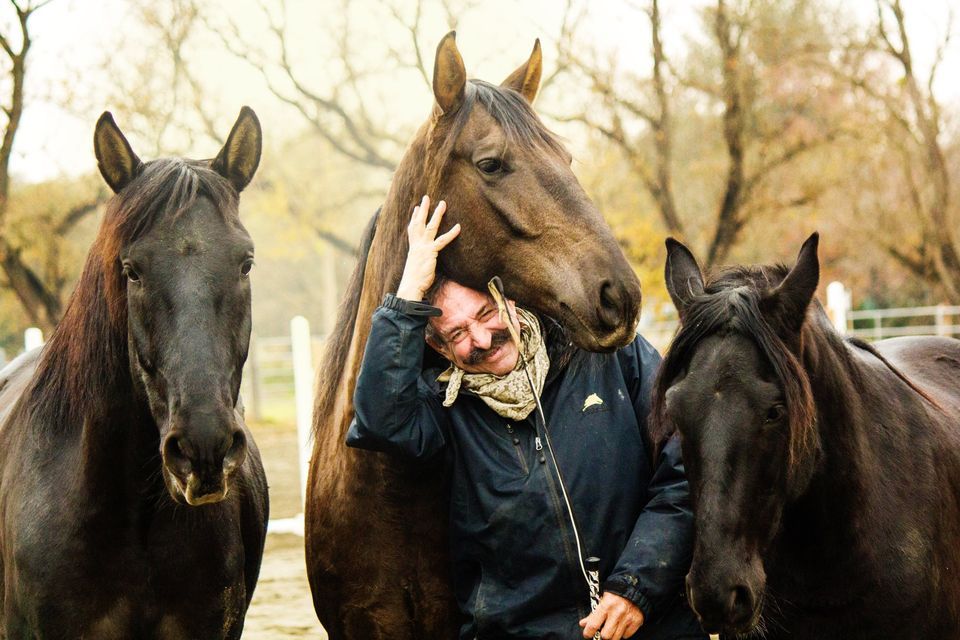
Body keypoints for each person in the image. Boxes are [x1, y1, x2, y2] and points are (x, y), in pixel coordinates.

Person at [347, 195, 705, 640]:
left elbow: (685, 471)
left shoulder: (606, 353)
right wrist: (406, 297)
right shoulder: (442, 408)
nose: (481, 337)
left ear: (510, 299)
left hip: (651, 623)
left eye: (485, 313)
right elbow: (380, 420)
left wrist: (636, 586)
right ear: (438, 348)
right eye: (457, 333)